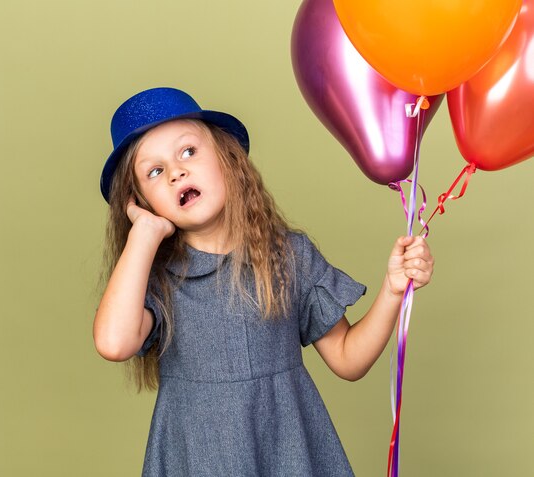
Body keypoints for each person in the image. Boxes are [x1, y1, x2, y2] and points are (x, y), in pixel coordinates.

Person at [93, 87, 434, 476]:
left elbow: (347, 359)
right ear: (141, 201)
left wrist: (392, 289)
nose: (176, 172)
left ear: (227, 159)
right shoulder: (154, 279)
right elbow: (114, 343)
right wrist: (144, 235)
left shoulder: (288, 256)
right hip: (199, 458)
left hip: (286, 448)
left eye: (188, 151)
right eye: (155, 172)